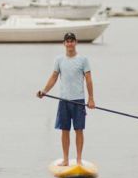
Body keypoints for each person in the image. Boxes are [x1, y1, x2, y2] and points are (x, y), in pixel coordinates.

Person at [37, 32, 95, 166]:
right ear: (64, 44)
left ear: (76, 43)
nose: (70, 43)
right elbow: (53, 77)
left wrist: (91, 98)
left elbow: (89, 80)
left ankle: (79, 160)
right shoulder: (59, 60)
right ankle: (66, 160)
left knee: (79, 130)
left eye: (72, 41)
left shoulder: (83, 60)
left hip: (78, 101)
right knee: (65, 130)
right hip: (64, 101)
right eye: (67, 41)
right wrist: (44, 91)